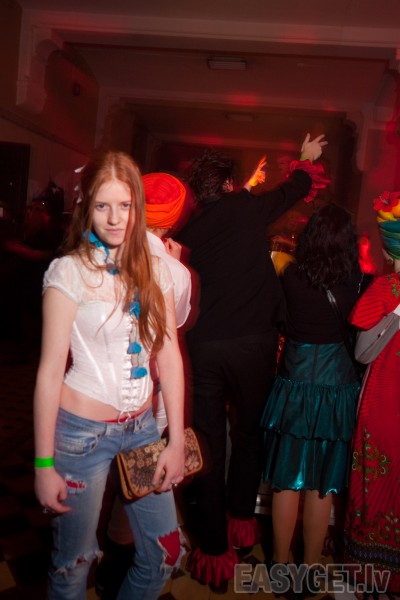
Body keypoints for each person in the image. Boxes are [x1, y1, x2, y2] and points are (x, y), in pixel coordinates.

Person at [176, 133, 329, 591]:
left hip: (203, 347)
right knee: (249, 434)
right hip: (252, 346)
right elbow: (293, 189)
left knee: (207, 445)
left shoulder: (187, 232)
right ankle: (241, 519)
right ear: (227, 185)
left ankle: (213, 548)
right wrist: (306, 158)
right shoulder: (243, 208)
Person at [33, 150, 186, 600]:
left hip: (142, 430)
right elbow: (49, 373)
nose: (115, 218)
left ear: (138, 206)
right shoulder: (68, 273)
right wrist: (43, 464)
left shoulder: (155, 270)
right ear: (87, 206)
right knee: (73, 566)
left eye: (125, 205)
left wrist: (176, 441)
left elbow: (170, 357)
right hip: (81, 435)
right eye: (103, 205)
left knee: (164, 554)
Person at [95, 171, 193, 600]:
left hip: (95, 398)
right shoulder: (174, 271)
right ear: (172, 219)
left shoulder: (98, 253)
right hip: (145, 404)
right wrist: (176, 263)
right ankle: (120, 571)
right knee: (135, 488)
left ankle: (107, 568)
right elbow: (176, 327)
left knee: (113, 487)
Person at [261, 203, 364, 587]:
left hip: (295, 388)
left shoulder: (291, 276)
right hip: (336, 392)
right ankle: (309, 570)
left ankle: (279, 566)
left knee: (287, 482)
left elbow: (276, 313)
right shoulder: (357, 282)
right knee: (323, 486)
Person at [344, 190, 400, 598]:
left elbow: (362, 352)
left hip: (383, 406)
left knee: (375, 492)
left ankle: (372, 580)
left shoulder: (386, 288)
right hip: (387, 406)